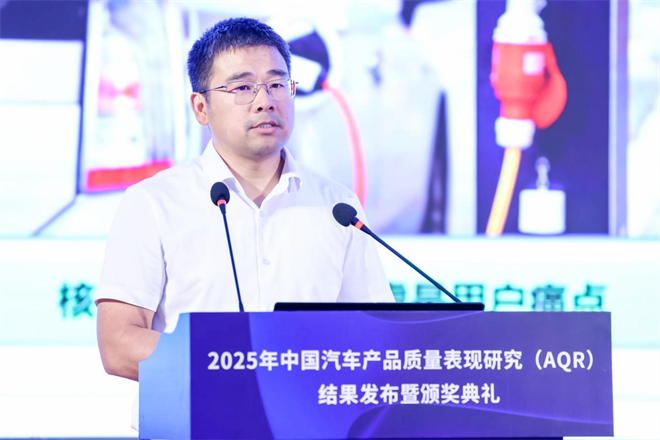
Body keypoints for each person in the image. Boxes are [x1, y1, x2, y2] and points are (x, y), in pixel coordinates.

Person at [96, 17, 393, 383]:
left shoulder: (337, 208)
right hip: (196, 414)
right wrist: (235, 364)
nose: (265, 102)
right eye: (242, 88)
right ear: (201, 108)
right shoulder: (154, 203)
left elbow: (377, 339)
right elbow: (119, 344)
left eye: (277, 84)